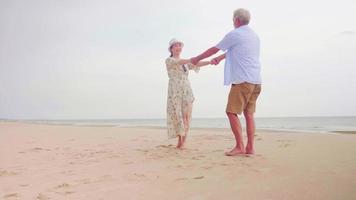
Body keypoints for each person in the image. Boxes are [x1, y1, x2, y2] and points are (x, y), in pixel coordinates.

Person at [190, 8, 262, 156]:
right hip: (256, 80)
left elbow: (214, 49)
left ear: (236, 20)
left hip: (243, 81)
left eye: (232, 19)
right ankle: (250, 148)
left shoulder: (235, 34)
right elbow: (235, 51)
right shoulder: (254, 36)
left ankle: (239, 146)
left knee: (231, 112)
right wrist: (221, 59)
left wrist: (196, 59)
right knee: (249, 114)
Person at [166, 38, 211, 149]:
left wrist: (210, 62)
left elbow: (196, 63)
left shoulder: (185, 64)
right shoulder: (169, 60)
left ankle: (182, 143)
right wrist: (192, 59)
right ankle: (180, 141)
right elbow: (179, 62)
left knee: (187, 117)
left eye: (179, 45)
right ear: (171, 49)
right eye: (175, 46)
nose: (178, 47)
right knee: (178, 116)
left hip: (186, 90)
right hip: (175, 91)